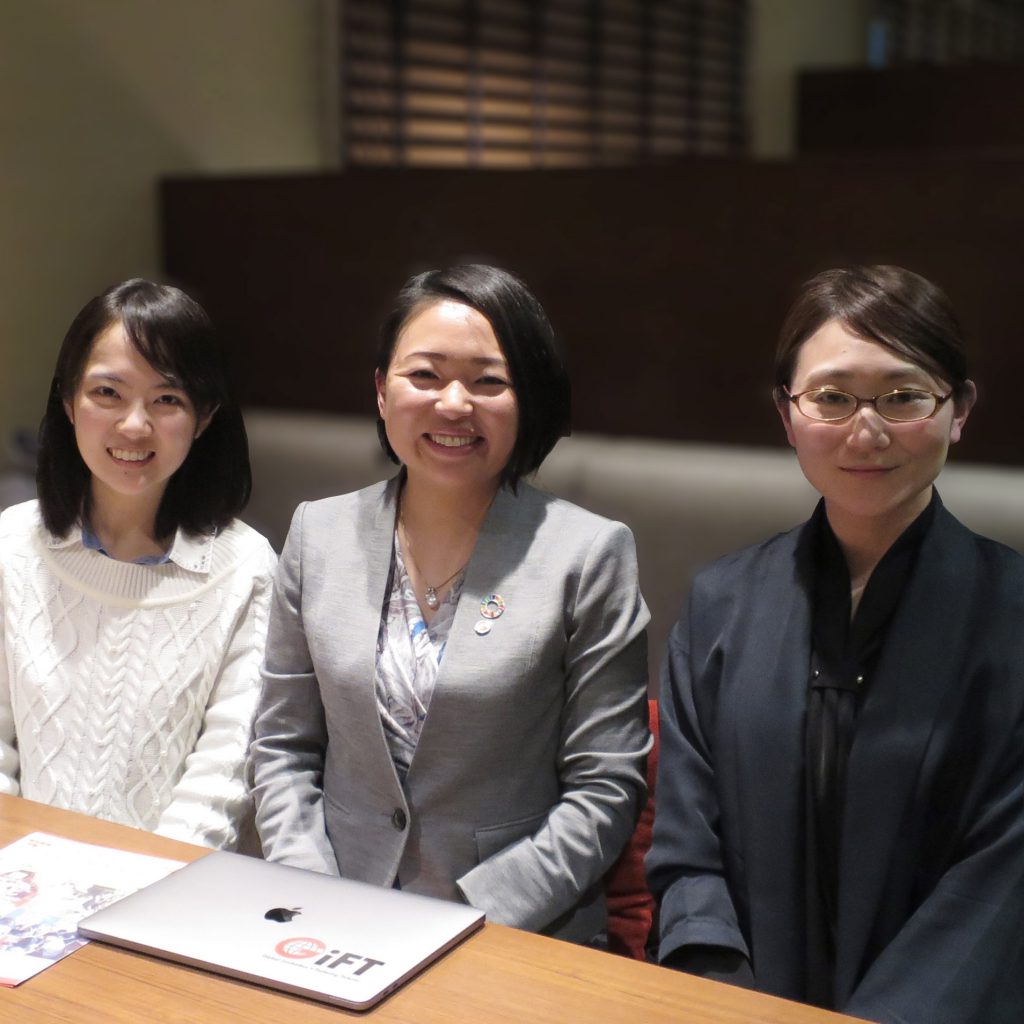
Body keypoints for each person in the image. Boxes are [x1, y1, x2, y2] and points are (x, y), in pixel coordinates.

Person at [647, 265, 1024, 1022]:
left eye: (904, 396)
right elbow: (688, 846)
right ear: (788, 414)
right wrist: (724, 999)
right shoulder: (722, 602)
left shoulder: (1012, 613)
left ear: (958, 410)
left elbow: (1004, 882)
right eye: (832, 396)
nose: (867, 430)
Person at [250, 264, 651, 943]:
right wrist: (310, 885)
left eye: (489, 381)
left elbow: (605, 789)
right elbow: (283, 746)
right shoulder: (318, 534)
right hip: (332, 915)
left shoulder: (588, 554)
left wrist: (469, 917)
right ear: (382, 392)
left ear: (527, 399)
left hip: (513, 929)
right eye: (425, 376)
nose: (454, 404)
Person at [0, 279, 276, 850]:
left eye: (166, 399)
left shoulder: (246, 568)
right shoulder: (12, 544)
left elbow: (223, 774)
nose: (134, 424)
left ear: (204, 416)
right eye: (108, 392)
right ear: (68, 400)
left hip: (170, 887)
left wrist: (146, 881)